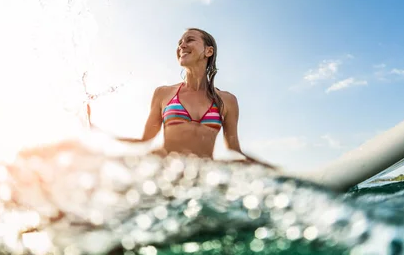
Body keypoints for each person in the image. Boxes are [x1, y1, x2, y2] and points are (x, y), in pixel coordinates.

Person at [89, 28, 273, 167]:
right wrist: (97, 130)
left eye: (189, 40)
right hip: (164, 170)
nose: (181, 46)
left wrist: (268, 166)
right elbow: (144, 140)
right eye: (179, 43)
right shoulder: (163, 93)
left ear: (209, 51)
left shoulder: (227, 100)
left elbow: (234, 150)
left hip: (203, 175)